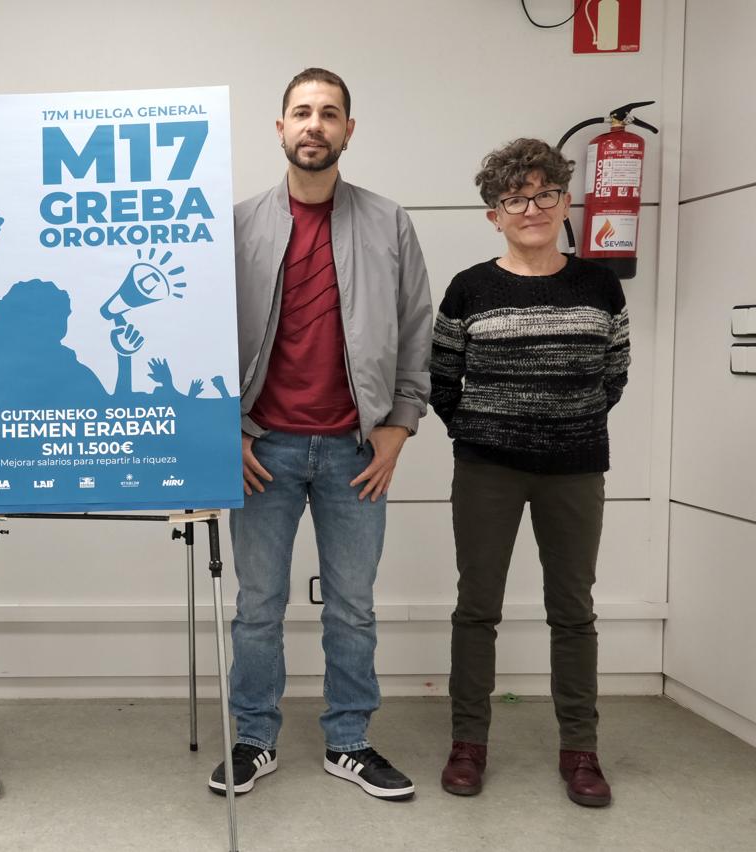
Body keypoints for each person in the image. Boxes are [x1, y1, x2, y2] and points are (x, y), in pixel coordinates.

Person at [212, 68, 432, 800]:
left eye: (329, 113)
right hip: (263, 448)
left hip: (356, 450)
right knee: (257, 607)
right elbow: (200, 334)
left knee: (352, 607)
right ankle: (253, 738)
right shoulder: (237, 224)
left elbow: (416, 329)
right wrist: (228, 429)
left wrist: (399, 426)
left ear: (348, 130)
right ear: (280, 127)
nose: (315, 124)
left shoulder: (388, 222)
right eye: (302, 112)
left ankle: (349, 741)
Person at [430, 138, 629, 808]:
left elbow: (614, 373)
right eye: (515, 199)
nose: (532, 208)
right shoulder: (470, 288)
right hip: (486, 470)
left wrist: (563, 426)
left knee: (572, 612)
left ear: (565, 202)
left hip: (575, 470)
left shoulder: (599, 285)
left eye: (545, 194)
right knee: (476, 609)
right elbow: (443, 378)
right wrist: (485, 431)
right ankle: (467, 744)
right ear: (495, 215)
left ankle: (581, 751)